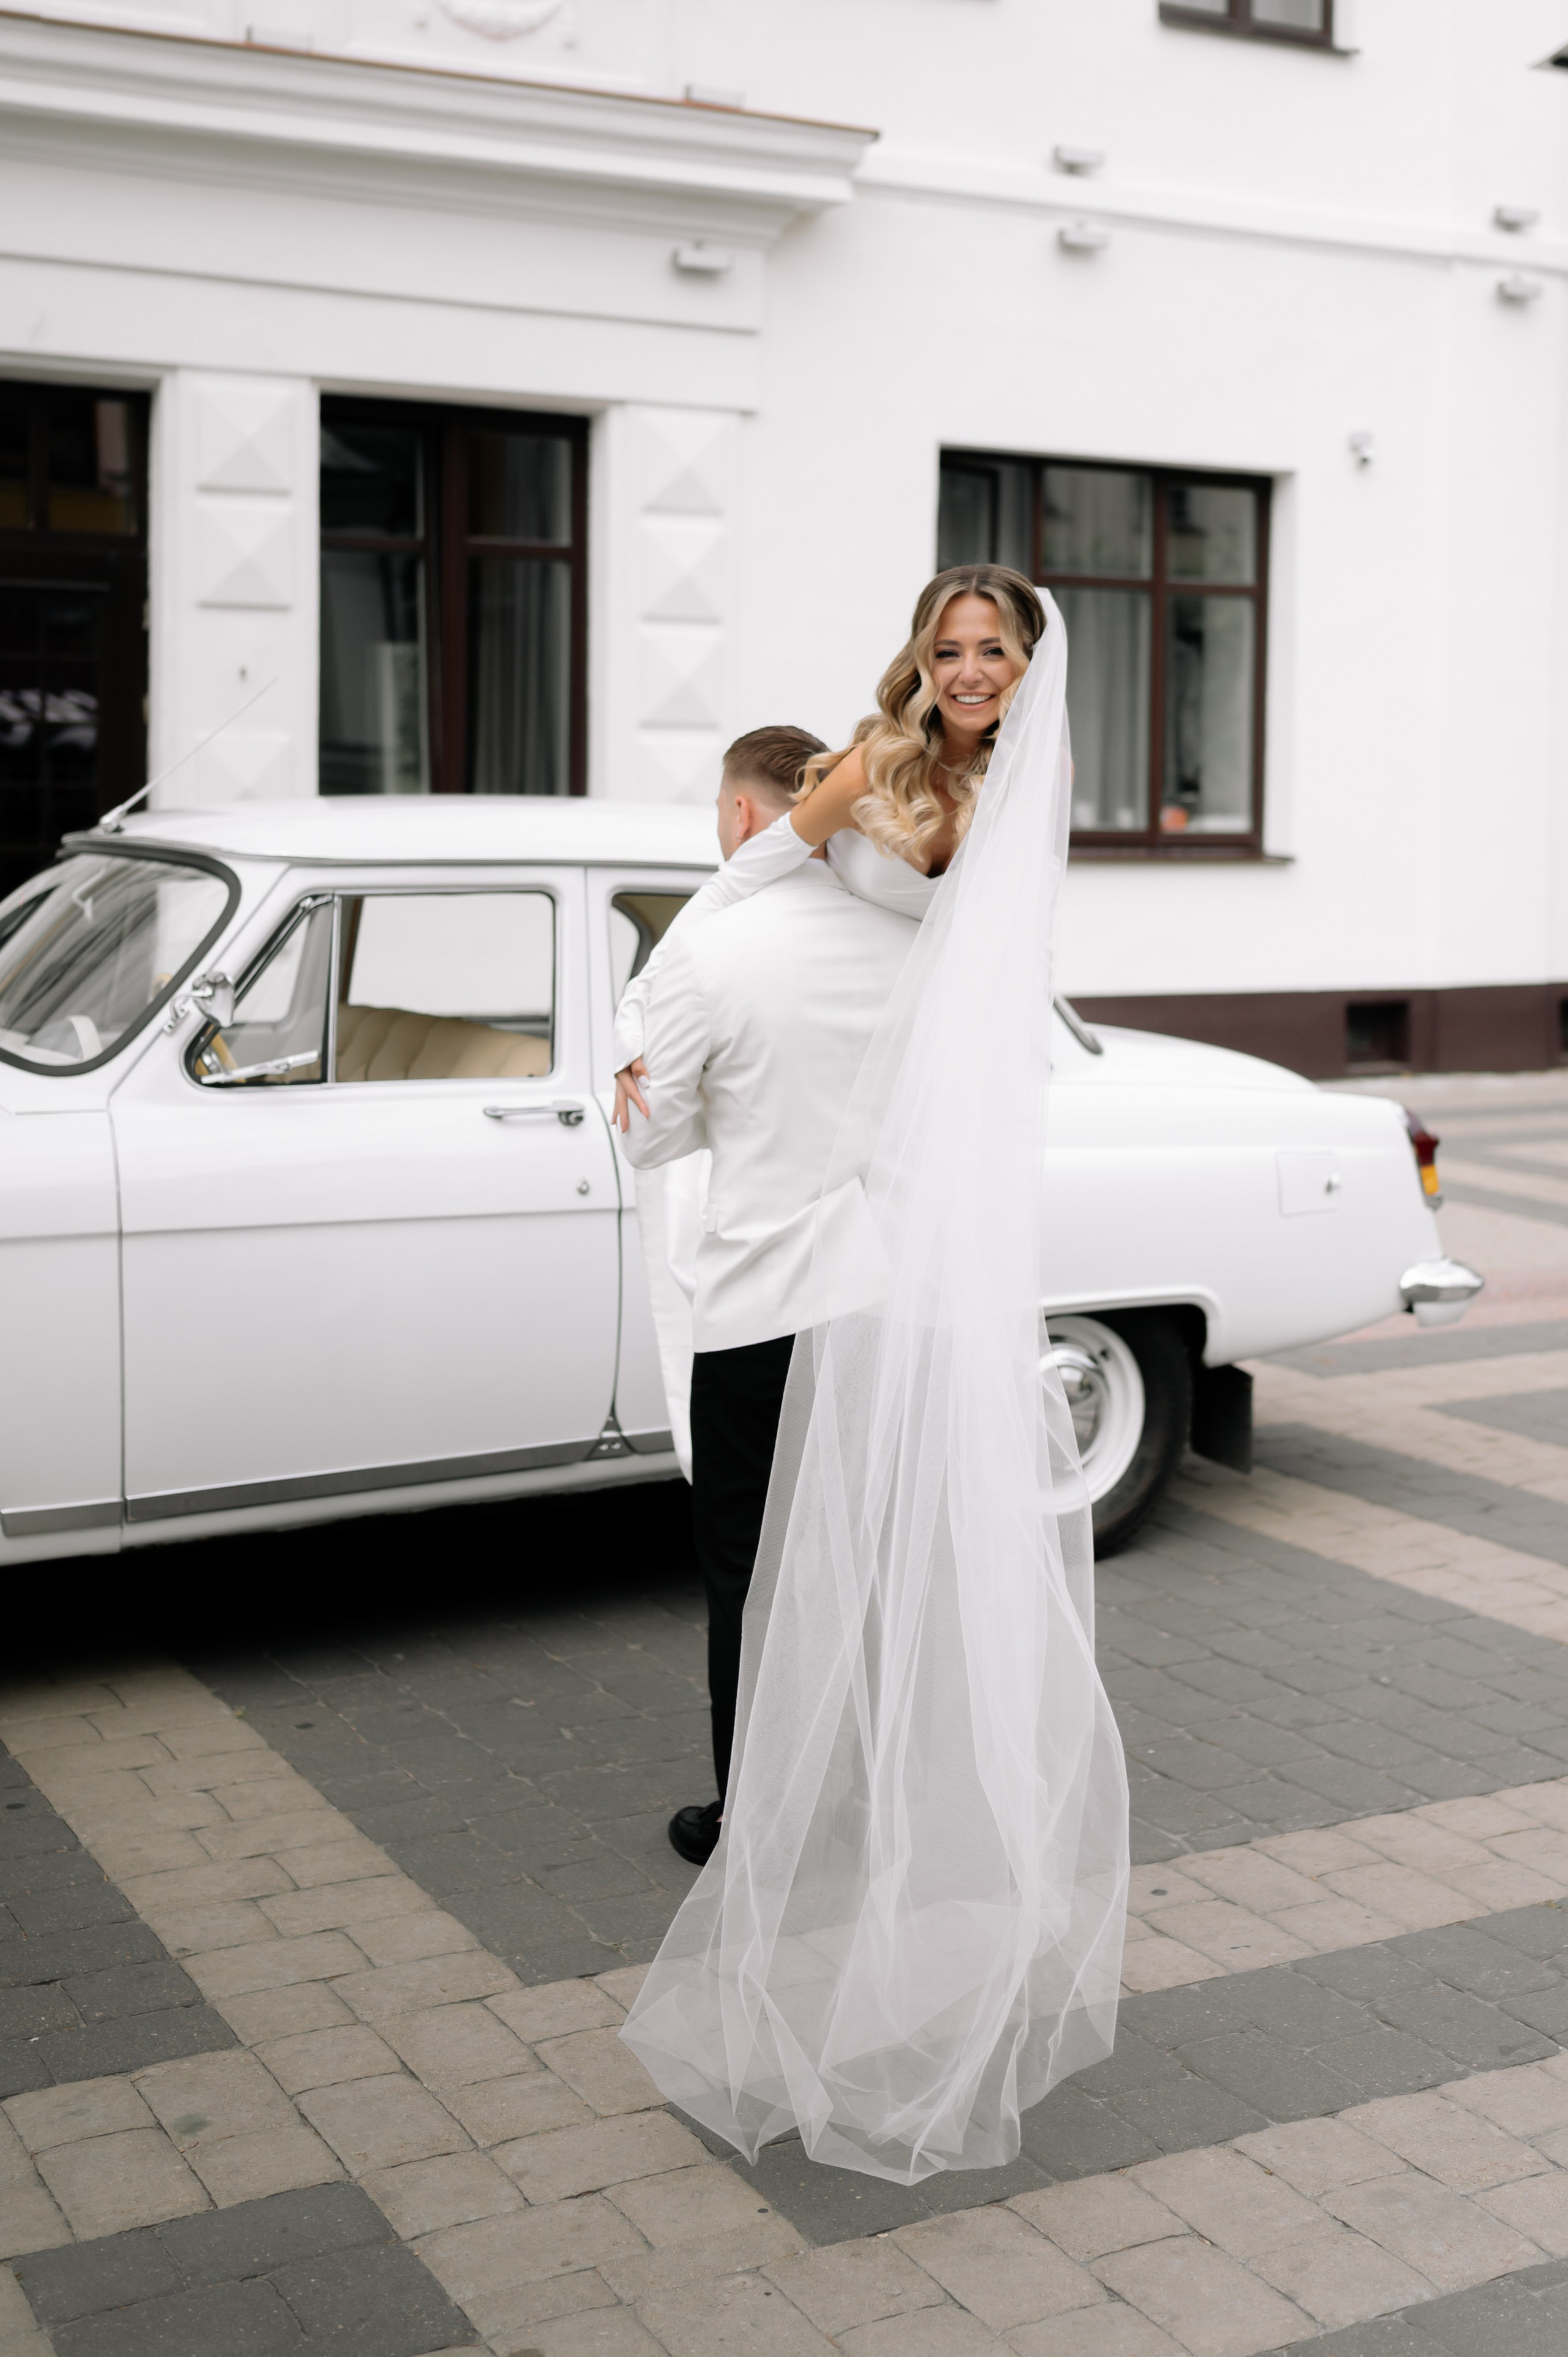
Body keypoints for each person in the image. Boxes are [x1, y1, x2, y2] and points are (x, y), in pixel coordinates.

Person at [620, 566, 1130, 2185]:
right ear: (923, 656)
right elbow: (786, 847)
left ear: (1028, 673)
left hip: (826, 1262)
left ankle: (786, 1825)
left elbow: (819, 934)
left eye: (996, 650)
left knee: (775, 1567)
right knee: (852, 1556)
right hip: (884, 1256)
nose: (968, 668)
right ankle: (849, 1814)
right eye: (951, 645)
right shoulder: (869, 768)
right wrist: (737, 910)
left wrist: (666, 1006)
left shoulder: (998, 812)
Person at [616, 725, 923, 1866]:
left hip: (757, 1306)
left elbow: (654, 1140)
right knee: (870, 1550)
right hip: (885, 1292)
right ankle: (881, 1783)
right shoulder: (908, 941)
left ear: (746, 819)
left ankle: (752, 1815)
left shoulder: (714, 949)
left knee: (746, 1569)